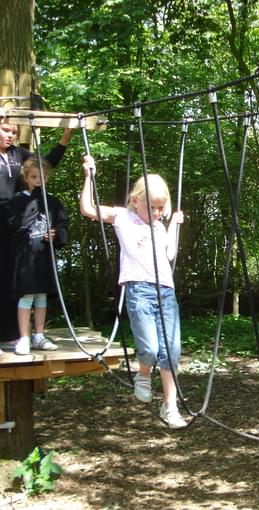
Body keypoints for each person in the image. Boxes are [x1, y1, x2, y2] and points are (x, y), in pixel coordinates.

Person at [79, 155, 187, 429]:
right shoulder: (123, 217)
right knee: (149, 347)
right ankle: (143, 374)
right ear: (135, 200)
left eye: (162, 208)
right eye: (152, 207)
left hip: (165, 291)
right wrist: (89, 176)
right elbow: (88, 209)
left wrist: (173, 224)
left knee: (171, 351)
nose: (158, 213)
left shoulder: (160, 225)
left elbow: (170, 254)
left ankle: (170, 406)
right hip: (139, 290)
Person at [0, 122, 73, 347]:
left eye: (14, 131)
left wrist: (65, 137)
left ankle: (15, 335)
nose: (10, 135)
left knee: (14, 280)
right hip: (11, 216)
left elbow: (43, 164)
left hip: (18, 222)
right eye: (5, 130)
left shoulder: (18, 155)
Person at [7, 158, 68, 355]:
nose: (38, 180)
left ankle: (39, 335)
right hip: (26, 257)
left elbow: (62, 224)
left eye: (42, 177)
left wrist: (56, 235)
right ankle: (24, 337)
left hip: (44, 257)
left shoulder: (53, 202)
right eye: (34, 177)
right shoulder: (17, 200)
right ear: (26, 177)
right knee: (26, 296)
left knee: (41, 295)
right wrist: (34, 201)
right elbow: (15, 226)